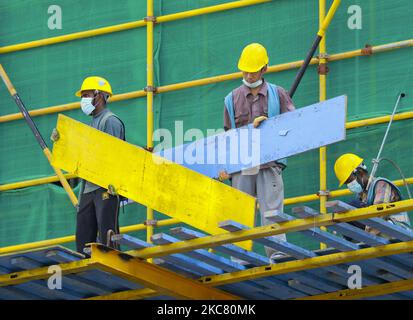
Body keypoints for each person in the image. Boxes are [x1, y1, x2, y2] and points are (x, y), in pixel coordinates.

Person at [219, 43, 295, 261]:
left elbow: (293, 127)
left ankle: (278, 253)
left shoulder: (278, 94)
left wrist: (271, 124)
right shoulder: (230, 99)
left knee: (272, 210)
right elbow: (228, 136)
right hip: (242, 165)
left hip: (269, 163)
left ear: (264, 69)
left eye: (253, 70)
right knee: (239, 210)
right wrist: (225, 167)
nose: (249, 75)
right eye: (245, 70)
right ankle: (239, 257)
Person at [74, 76, 126, 255]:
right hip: (89, 188)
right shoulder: (92, 122)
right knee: (83, 240)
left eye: (87, 95)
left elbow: (113, 156)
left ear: (100, 96)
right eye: (83, 96)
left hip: (104, 187)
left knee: (107, 238)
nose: (84, 100)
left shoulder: (110, 121)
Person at [334, 153, 411, 237]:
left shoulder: (381, 185)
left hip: (398, 229)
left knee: (353, 207)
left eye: (350, 180)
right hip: (379, 233)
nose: (349, 185)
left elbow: (380, 214)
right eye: (347, 183)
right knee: (347, 215)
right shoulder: (362, 196)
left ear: (360, 172)